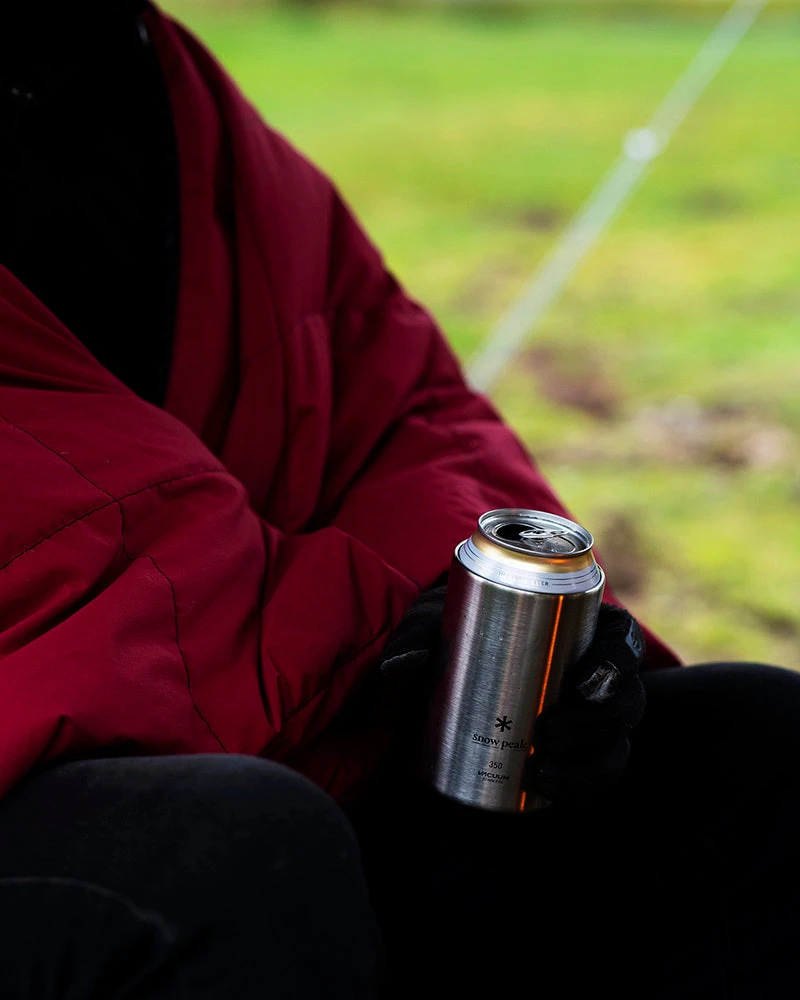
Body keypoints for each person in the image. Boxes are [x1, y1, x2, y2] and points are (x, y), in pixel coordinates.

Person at [0, 2, 797, 997]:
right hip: (93, 781)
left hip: (283, 721)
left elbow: (393, 403)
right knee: (230, 854)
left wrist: (503, 629)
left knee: (755, 750)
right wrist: (387, 632)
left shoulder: (146, 80)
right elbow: (64, 545)